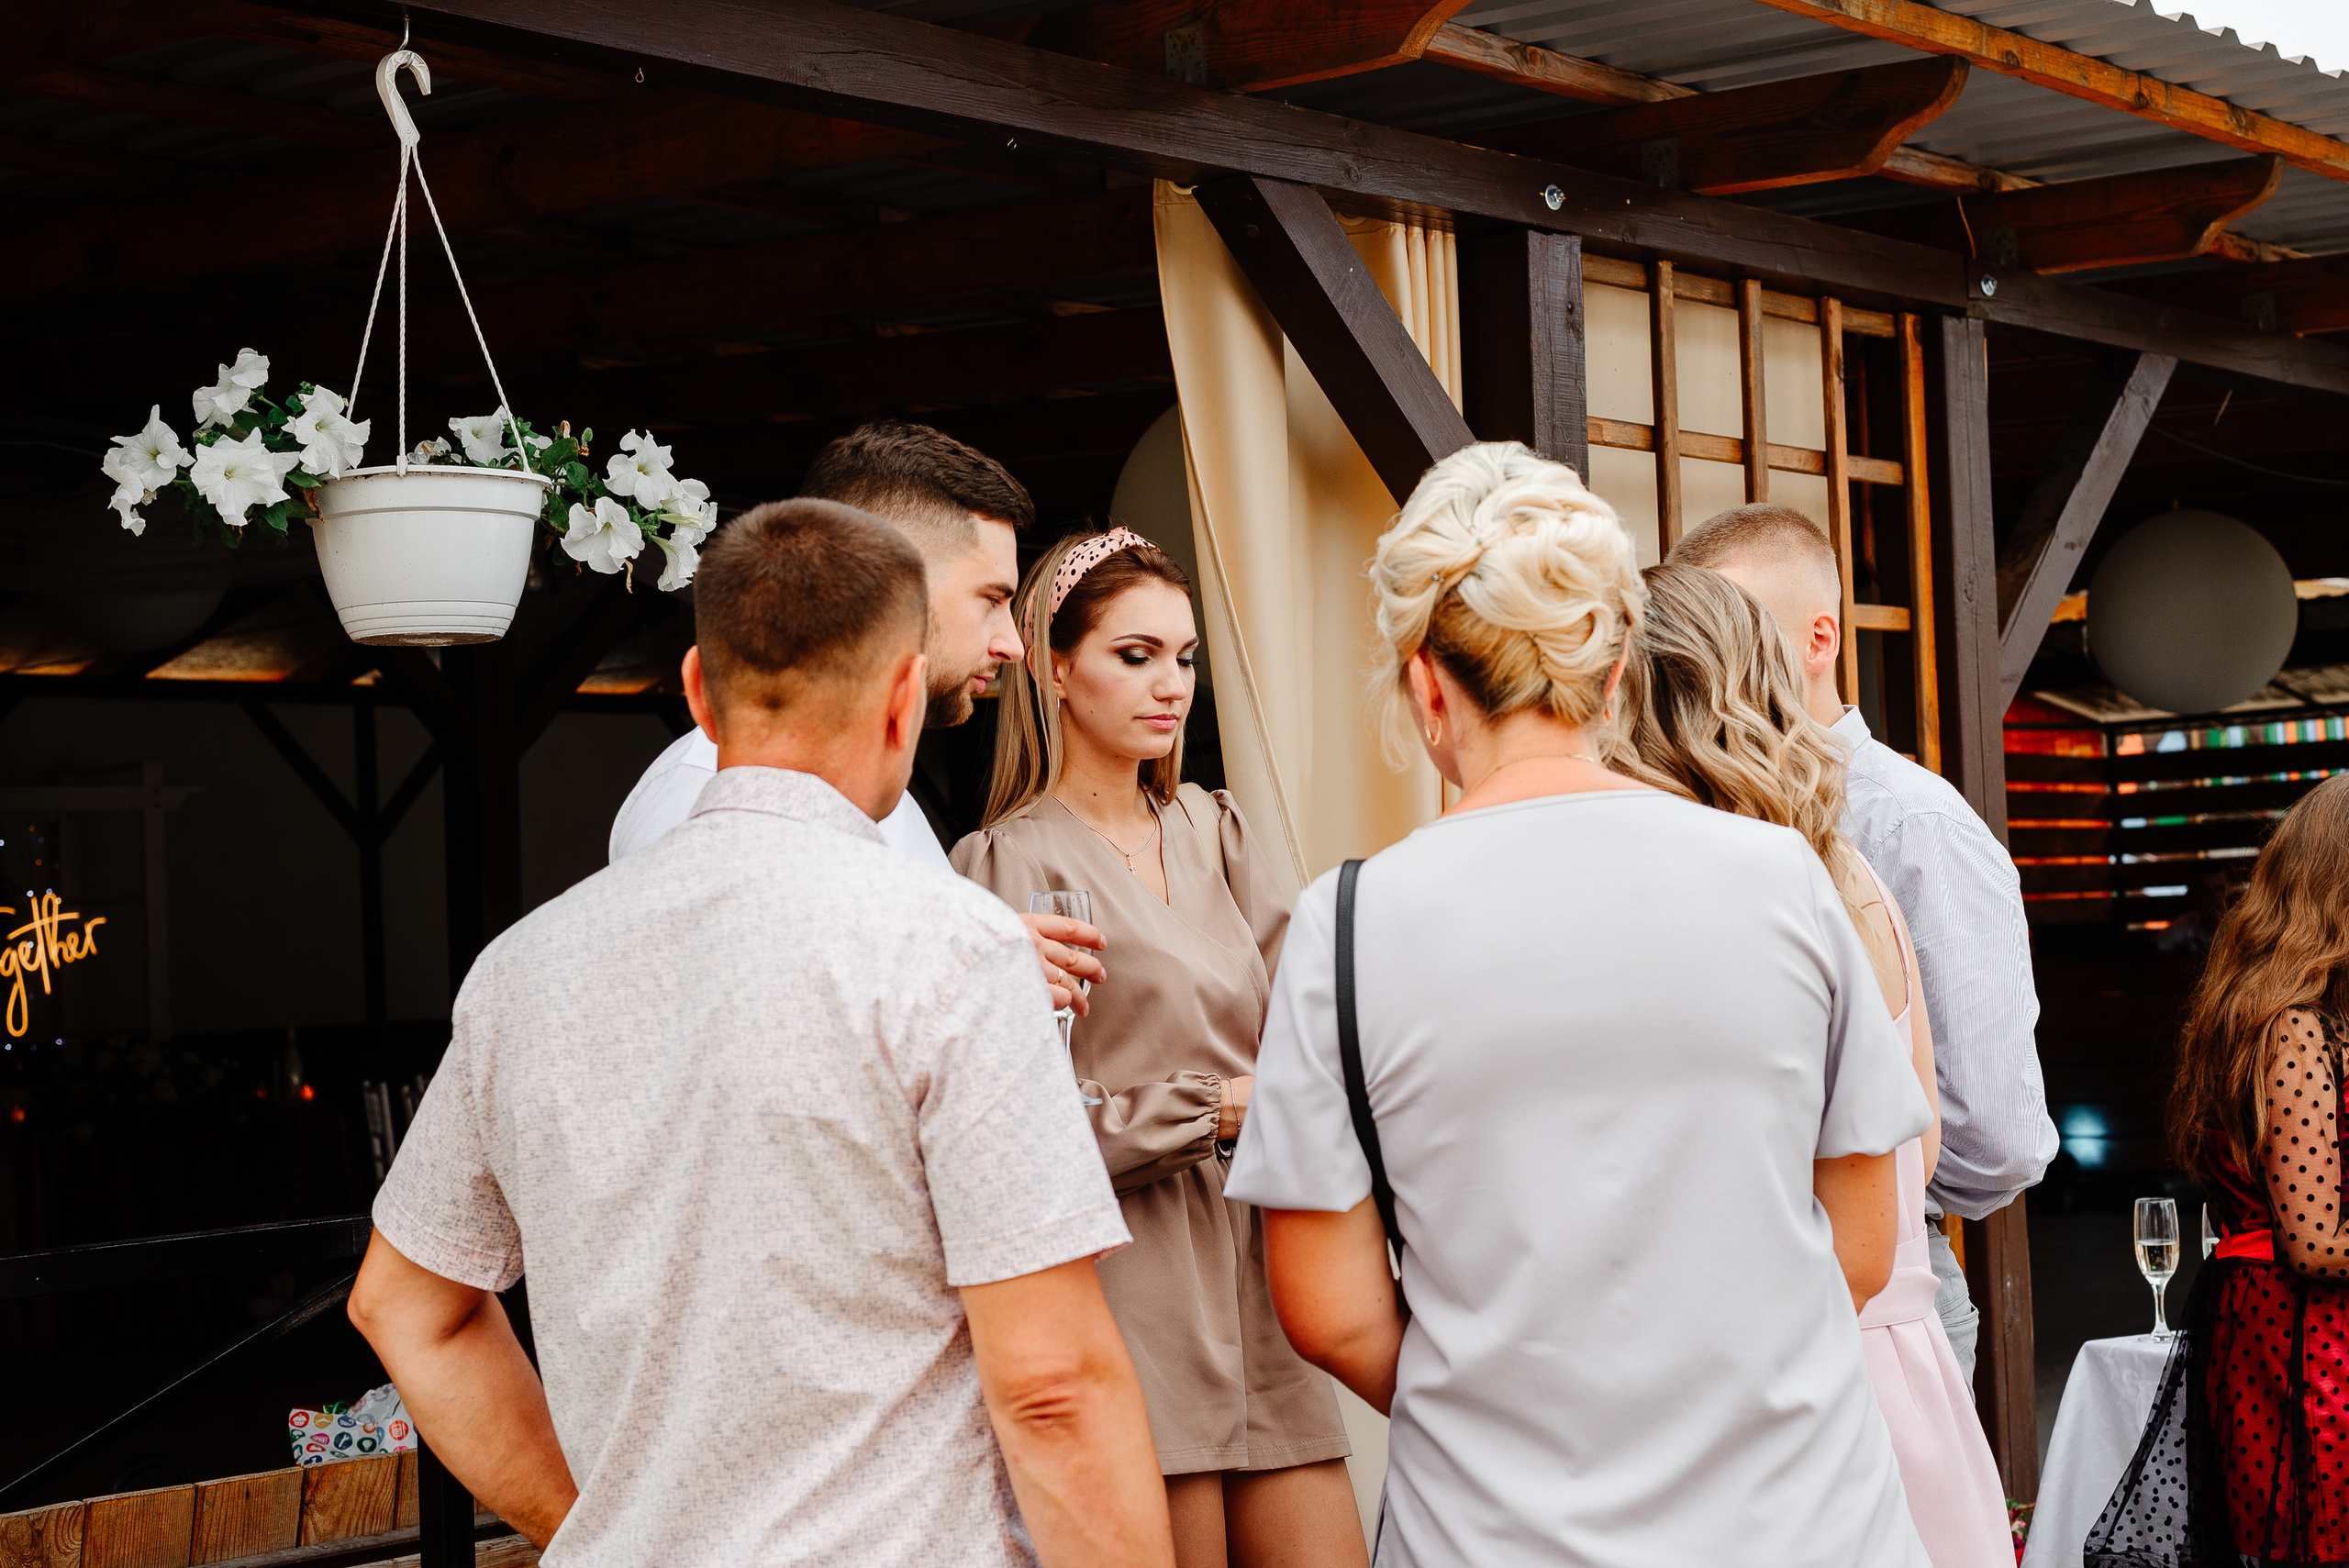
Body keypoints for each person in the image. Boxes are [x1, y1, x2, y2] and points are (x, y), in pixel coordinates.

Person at [348, 500, 1174, 1568]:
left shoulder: (519, 970)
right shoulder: (956, 948)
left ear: (696, 690)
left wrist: (595, 1529)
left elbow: (402, 1303)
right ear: (898, 696)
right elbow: (1053, 1384)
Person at [1225, 442, 1933, 1567]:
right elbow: (1861, 1236)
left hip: (1492, 1531)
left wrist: (1506, 1401)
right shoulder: (1780, 876)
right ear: (1612, 677)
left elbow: (1329, 1308)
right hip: (1800, 1519)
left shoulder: (1347, 921)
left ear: (1424, 683)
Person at [950, 528, 1364, 1568]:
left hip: (1267, 1271)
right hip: (1126, 1289)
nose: (1169, 684)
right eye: (1134, 655)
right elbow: (1010, 1133)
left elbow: (1314, 1042)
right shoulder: (998, 864)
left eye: (1183, 658)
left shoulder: (1219, 829)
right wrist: (1217, 1107)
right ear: (1052, 665)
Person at [1609, 562, 2011, 1568]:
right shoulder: (1842, 866)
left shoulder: (1705, 893)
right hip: (1898, 1354)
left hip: (1775, 1359)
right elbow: (1913, 1153)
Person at [1671, 502, 2058, 1385]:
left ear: (1819, 637)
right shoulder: (1685, 809)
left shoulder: (1909, 823)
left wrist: (1865, 1173)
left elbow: (1998, 1133)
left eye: (1742, 630)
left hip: (1883, 1282)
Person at [609, 417, 1107, 1017]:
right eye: (993, 600)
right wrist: (960, 962)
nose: (1013, 644)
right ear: (892, 584)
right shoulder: (696, 795)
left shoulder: (884, 793)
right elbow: (724, 1026)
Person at [2088, 773, 2349, 1567]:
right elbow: (2314, 1239)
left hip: (2284, 1331)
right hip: (2304, 1343)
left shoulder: (2294, 1014)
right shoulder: (2296, 1031)